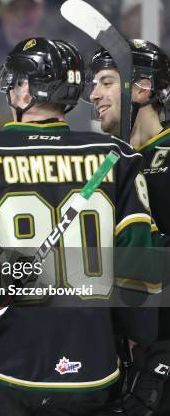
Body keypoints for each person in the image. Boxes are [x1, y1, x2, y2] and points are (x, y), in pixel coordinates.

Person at [0, 38, 159, 416]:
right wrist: (148, 351)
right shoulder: (117, 159)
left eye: (14, 82)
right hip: (93, 374)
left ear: (26, 88)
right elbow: (139, 274)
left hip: (4, 373)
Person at [87, 38, 170, 416]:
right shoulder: (107, 165)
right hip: (118, 355)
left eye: (105, 81)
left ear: (142, 87)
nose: (93, 94)